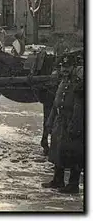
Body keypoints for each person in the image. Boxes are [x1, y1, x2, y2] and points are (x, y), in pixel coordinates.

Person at [42, 53, 84, 194]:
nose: (64, 69)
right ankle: (57, 180)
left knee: (74, 153)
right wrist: (50, 122)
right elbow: (55, 104)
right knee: (57, 149)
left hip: (72, 121)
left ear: (73, 67)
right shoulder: (63, 81)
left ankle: (73, 185)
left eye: (68, 67)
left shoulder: (79, 84)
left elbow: (79, 107)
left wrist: (75, 126)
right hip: (60, 121)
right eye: (62, 67)